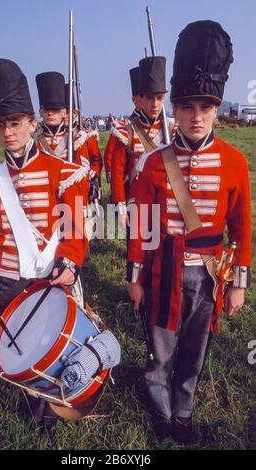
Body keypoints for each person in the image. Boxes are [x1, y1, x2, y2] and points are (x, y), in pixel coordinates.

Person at [127, 21, 252, 444]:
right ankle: (159, 406)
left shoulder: (235, 162)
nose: (196, 117)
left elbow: (242, 229)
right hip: (163, 269)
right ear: (174, 111)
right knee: (160, 347)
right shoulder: (154, 163)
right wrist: (135, 279)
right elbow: (141, 228)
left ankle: (183, 409)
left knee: (195, 348)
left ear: (216, 109)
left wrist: (238, 284)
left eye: (205, 107)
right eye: (186, 107)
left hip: (211, 272)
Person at [0, 58, 89, 425]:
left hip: (48, 275)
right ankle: (35, 403)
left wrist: (69, 261)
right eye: (0, 125)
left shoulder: (63, 173)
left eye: (16, 123)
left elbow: (75, 228)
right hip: (5, 278)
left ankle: (53, 405)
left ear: (32, 123)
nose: (8, 132)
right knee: (21, 344)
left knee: (48, 343)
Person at [110, 57, 168, 230]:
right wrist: (120, 206)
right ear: (140, 99)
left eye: (159, 98)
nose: (155, 104)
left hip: (166, 202)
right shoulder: (126, 131)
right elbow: (118, 173)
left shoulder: (172, 130)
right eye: (150, 98)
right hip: (135, 202)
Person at [104, 66, 141, 185]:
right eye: (142, 98)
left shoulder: (165, 127)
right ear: (134, 99)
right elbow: (109, 157)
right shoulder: (122, 127)